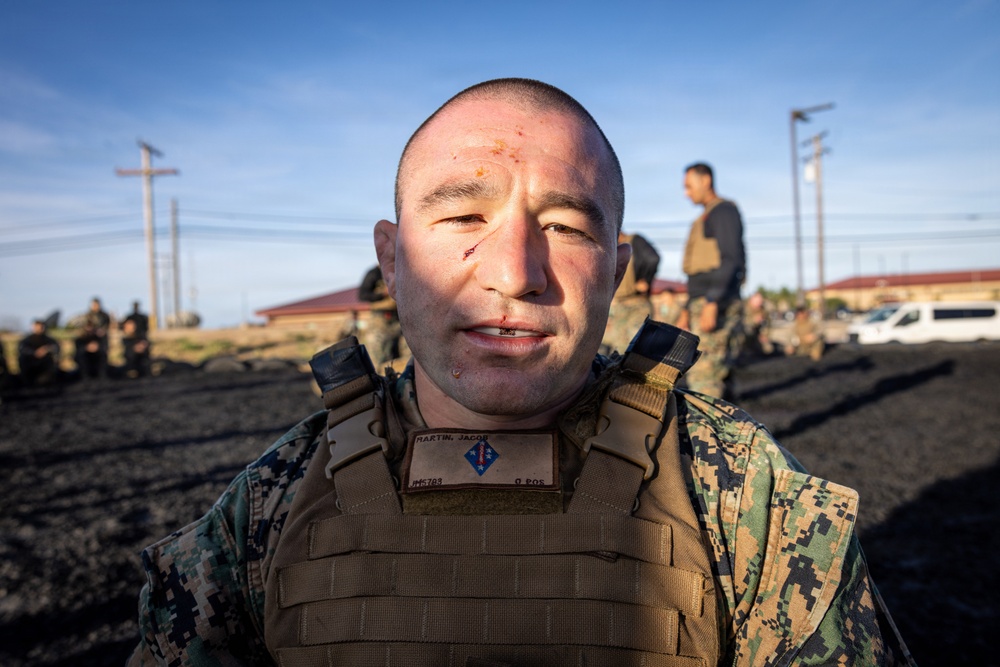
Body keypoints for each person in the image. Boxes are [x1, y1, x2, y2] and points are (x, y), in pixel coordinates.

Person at [129, 78, 912, 666]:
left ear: (617, 270)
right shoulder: (269, 504)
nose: (514, 271)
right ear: (392, 260)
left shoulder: (742, 492)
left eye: (566, 225)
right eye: (465, 216)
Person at [676, 163, 745, 398]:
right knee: (717, 377)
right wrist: (688, 308)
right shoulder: (706, 216)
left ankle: (709, 435)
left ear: (705, 180)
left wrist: (712, 301)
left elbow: (731, 259)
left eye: (688, 186)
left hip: (717, 303)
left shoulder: (723, 212)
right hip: (703, 301)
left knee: (706, 380)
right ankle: (729, 434)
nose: (686, 193)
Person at [602, 231, 659, 354]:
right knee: (618, 345)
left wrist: (645, 279)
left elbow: (653, 258)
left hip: (637, 303)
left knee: (636, 344)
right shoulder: (615, 250)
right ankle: (617, 372)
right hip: (622, 303)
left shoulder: (635, 240)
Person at [357, 265, 404, 368]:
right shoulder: (374, 273)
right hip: (380, 317)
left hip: (398, 317)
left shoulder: (400, 269)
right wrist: (383, 294)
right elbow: (363, 295)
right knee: (379, 350)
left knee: (396, 350)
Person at [17, 320, 61, 386]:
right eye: (37, 327)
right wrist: (34, 353)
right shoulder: (27, 340)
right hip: (30, 363)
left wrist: (46, 349)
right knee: (22, 358)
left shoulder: (48, 339)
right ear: (33, 327)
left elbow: (56, 347)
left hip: (44, 363)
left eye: (41, 327)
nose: (39, 329)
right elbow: (22, 349)